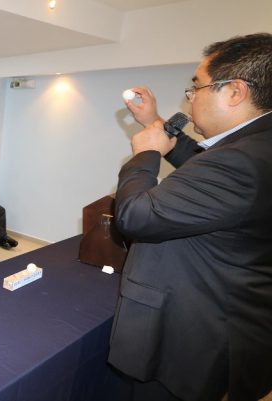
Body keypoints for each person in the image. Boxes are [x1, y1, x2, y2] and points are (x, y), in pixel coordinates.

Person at [108, 33, 272, 401]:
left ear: (235, 91)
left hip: (191, 335)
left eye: (197, 87)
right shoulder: (256, 146)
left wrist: (144, 156)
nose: (190, 97)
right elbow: (208, 176)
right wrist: (155, 122)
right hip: (231, 318)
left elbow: (135, 217)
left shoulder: (240, 161)